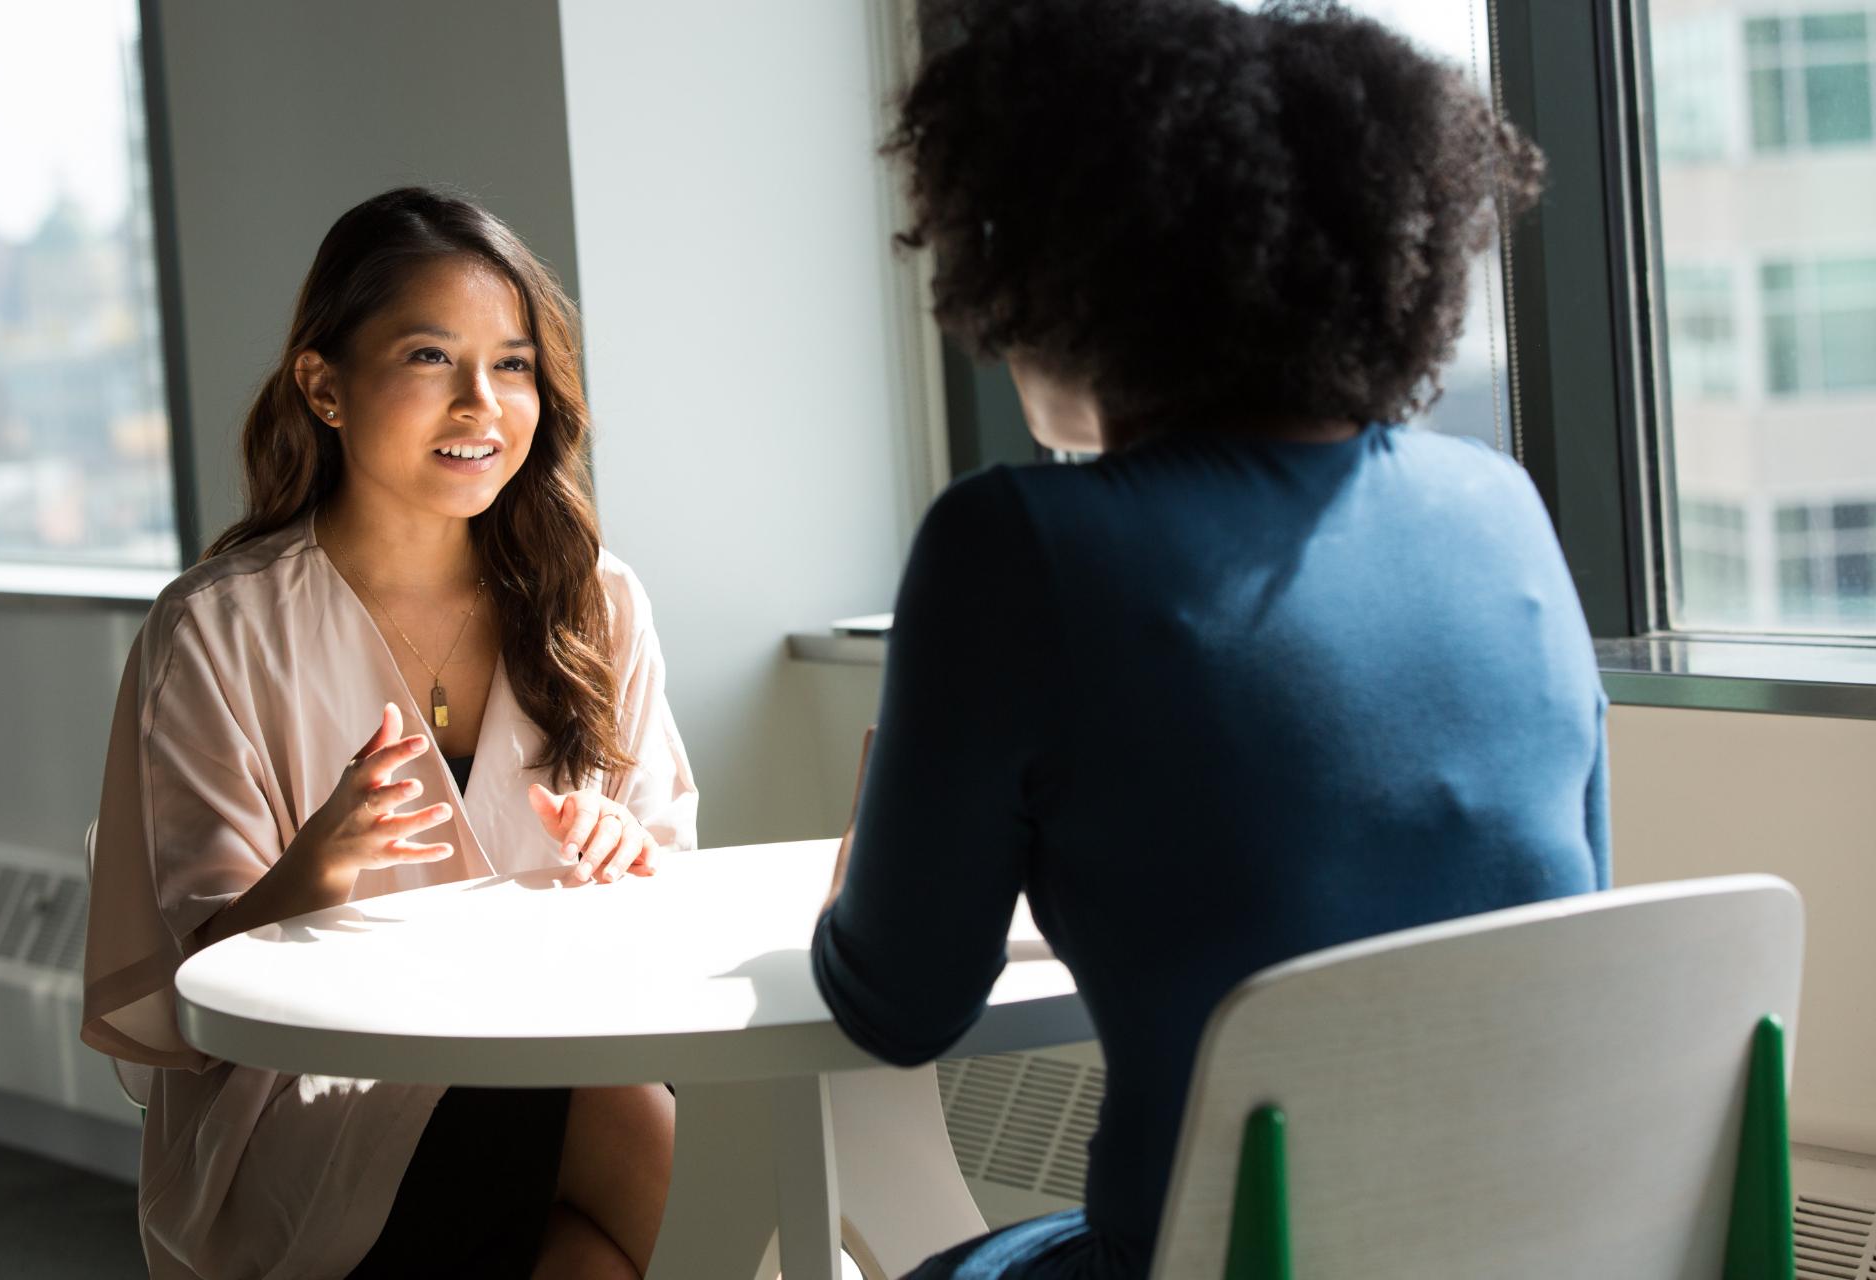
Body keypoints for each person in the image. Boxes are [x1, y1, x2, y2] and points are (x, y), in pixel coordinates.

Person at [810, 1, 1603, 1276]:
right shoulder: (1501, 510)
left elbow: (898, 1005)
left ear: (1063, 271)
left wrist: (868, 876)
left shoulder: (1014, 541)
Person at [81, 187, 697, 1280]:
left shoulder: (598, 601)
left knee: (595, 1250)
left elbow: (672, 889)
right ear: (324, 386)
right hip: (306, 1112)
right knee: (645, 1129)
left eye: (512, 364)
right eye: (429, 357)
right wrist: (310, 874)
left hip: (563, 1054)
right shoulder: (217, 629)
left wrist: (627, 852)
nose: (483, 403)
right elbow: (196, 996)